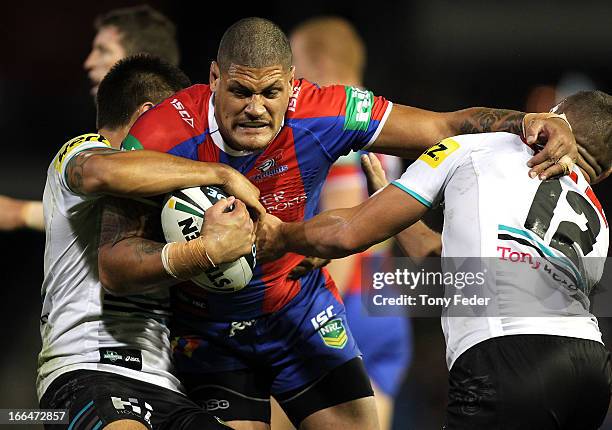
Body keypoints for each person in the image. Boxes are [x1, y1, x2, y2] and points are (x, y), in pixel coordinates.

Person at [98, 17, 577, 430]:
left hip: (300, 309)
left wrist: (528, 122)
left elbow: (446, 127)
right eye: (240, 91)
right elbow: (114, 265)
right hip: (209, 331)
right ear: (214, 78)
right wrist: (201, 253)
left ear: (293, 82)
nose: (256, 108)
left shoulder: (325, 111)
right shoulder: (160, 135)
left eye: (271, 92)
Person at [260, 90, 611, 429]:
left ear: (552, 119)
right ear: (606, 171)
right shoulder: (597, 217)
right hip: (591, 371)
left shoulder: (480, 146)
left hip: (507, 353)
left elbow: (349, 232)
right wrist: (389, 203)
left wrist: (280, 236)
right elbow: (449, 264)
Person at [38, 54, 262, 430]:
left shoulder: (175, 191)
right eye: (179, 117)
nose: (188, 134)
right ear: (148, 114)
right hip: (86, 370)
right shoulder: (82, 151)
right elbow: (100, 173)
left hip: (165, 382)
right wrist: (219, 173)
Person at [270, 16, 424, 430]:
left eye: (294, 69)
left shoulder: (332, 123)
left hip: (345, 302)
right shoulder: (384, 126)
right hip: (385, 302)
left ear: (315, 63)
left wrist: (319, 312)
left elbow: (348, 228)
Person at [0, 5, 181, 232]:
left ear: (138, 64)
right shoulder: (97, 148)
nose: (89, 62)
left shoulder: (195, 147)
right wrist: (20, 213)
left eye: (103, 50)